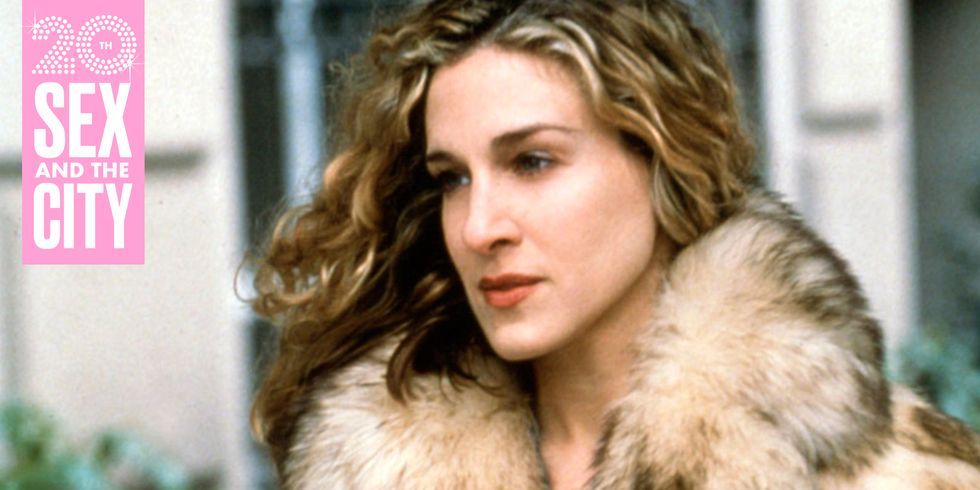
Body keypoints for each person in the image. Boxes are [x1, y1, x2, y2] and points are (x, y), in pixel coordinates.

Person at [249, 0, 980, 488]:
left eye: (532, 161)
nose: (479, 227)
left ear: (661, 160)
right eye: (452, 179)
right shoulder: (366, 470)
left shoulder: (898, 476)